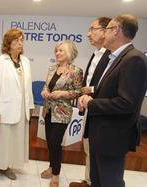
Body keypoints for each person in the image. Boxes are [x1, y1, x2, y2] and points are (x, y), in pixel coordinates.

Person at [78, 14, 147, 187]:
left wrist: (91, 103)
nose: (103, 34)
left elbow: (126, 103)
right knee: (98, 180)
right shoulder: (113, 57)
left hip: (112, 137)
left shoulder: (134, 59)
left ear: (116, 31)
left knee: (109, 181)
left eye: (107, 29)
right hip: (100, 133)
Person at [69, 17, 111, 187]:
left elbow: (108, 85)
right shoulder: (96, 54)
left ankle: (94, 182)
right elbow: (91, 82)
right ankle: (88, 181)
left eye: (93, 29)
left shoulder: (112, 56)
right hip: (90, 110)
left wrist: (91, 90)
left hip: (102, 113)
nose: (88, 34)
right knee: (88, 148)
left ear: (105, 31)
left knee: (98, 152)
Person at [0, 28, 34, 181]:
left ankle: (7, 166)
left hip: (21, 109)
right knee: (1, 139)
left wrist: (30, 106)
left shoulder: (26, 61)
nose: (20, 43)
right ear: (8, 43)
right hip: (4, 108)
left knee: (14, 140)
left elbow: (28, 87)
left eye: (22, 40)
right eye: (16, 40)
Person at [40, 40, 83, 187]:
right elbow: (46, 85)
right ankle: (51, 167)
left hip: (62, 113)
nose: (57, 53)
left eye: (61, 51)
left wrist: (62, 93)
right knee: (50, 143)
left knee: (55, 143)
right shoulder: (52, 68)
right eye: (56, 50)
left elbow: (78, 91)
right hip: (48, 110)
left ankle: (56, 175)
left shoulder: (76, 71)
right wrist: (44, 91)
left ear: (69, 53)